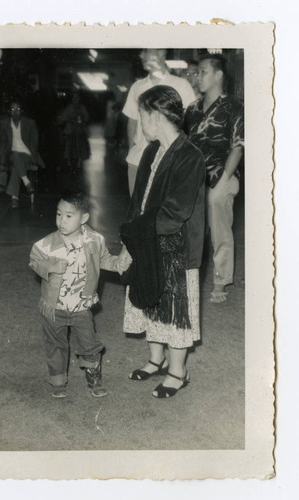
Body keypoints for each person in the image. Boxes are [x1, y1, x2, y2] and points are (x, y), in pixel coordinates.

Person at [120, 85, 205, 398]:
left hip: (175, 246)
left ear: (154, 116)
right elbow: (137, 200)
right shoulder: (150, 151)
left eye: (142, 116)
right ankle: (156, 359)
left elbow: (177, 210)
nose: (141, 123)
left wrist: (141, 235)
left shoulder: (190, 156)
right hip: (146, 237)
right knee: (149, 299)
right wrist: (128, 235)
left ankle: (178, 371)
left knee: (174, 309)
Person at [29, 190, 129, 399]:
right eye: (58, 214)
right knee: (56, 344)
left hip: (82, 304)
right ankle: (57, 380)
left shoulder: (95, 240)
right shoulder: (46, 244)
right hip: (53, 306)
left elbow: (104, 260)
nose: (61, 221)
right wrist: (50, 266)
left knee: (88, 342)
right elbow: (35, 261)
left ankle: (93, 375)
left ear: (83, 218)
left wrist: (118, 263)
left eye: (68, 215)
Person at [184, 53, 244, 303]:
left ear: (218, 75)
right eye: (197, 72)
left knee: (220, 233)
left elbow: (238, 147)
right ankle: (188, 279)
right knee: (192, 232)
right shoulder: (192, 109)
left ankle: (220, 281)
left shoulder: (233, 107)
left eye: (204, 71)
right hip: (194, 178)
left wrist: (222, 182)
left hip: (222, 176)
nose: (198, 77)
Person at [122, 49, 196, 196]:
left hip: (171, 164)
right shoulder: (137, 87)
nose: (141, 55)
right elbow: (132, 122)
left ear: (161, 52)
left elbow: (192, 123)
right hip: (138, 161)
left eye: (145, 51)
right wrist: (133, 150)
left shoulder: (181, 85)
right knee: (137, 213)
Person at [0, 101, 46, 208]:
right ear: (9, 111)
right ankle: (27, 184)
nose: (15, 112)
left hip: (27, 155)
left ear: (22, 111)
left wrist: (33, 160)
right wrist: (2, 162)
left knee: (16, 164)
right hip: (13, 155)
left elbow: (35, 144)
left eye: (18, 109)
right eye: (13, 109)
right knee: (15, 157)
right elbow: (2, 144)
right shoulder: (4, 123)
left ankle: (14, 198)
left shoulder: (30, 123)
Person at [59, 92, 90, 175]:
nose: (75, 99)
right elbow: (63, 117)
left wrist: (82, 119)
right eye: (74, 98)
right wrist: (69, 120)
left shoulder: (82, 108)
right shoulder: (69, 108)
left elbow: (86, 117)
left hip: (79, 130)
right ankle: (69, 163)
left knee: (79, 146)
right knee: (69, 146)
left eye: (77, 98)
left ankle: (79, 163)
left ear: (79, 99)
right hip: (70, 130)